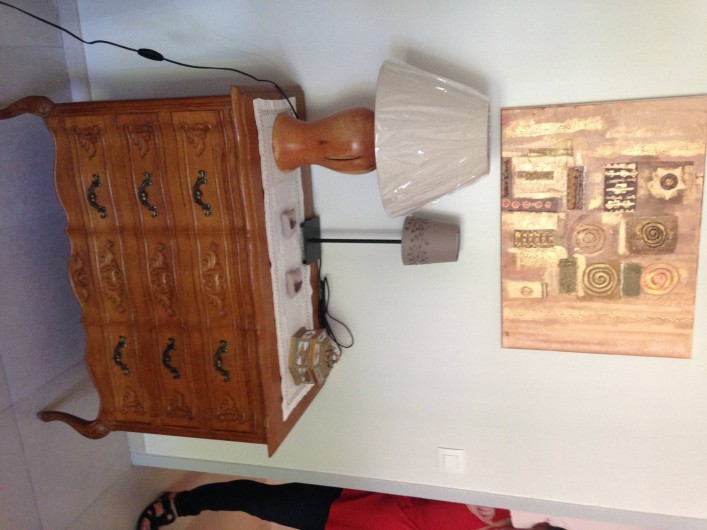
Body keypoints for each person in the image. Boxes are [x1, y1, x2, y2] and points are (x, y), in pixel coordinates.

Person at [136, 479, 567, 530]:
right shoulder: (496, 501)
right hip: (347, 497)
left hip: (343, 527)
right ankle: (184, 504)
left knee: (262, 507)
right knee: (261, 500)